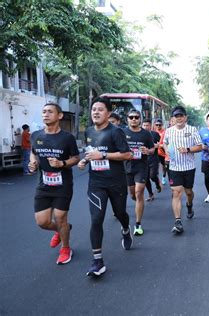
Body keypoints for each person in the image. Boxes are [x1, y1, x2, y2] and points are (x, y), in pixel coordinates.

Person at [78, 97, 134, 277]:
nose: (95, 112)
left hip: (116, 182)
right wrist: (84, 160)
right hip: (96, 183)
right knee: (96, 219)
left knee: (120, 214)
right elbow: (90, 153)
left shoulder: (115, 132)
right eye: (93, 109)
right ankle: (97, 261)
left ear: (108, 113)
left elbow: (126, 154)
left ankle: (126, 230)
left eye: (100, 109)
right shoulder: (88, 131)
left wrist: (102, 155)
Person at [28, 103, 80, 265]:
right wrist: (33, 164)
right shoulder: (36, 135)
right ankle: (62, 229)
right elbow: (33, 153)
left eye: (50, 112)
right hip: (43, 185)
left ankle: (65, 248)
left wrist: (62, 164)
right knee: (42, 222)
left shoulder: (67, 138)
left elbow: (76, 158)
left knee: (59, 217)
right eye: (43, 112)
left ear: (59, 116)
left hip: (63, 185)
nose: (46, 114)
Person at [163, 106, 202, 234]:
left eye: (181, 116)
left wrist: (188, 149)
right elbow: (165, 143)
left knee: (189, 192)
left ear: (185, 117)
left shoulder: (192, 130)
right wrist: (167, 149)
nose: (179, 118)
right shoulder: (169, 131)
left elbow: (200, 146)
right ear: (173, 118)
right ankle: (178, 221)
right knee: (176, 192)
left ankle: (189, 206)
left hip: (188, 167)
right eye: (176, 116)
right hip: (174, 167)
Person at [123, 111, 155, 236]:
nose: (134, 119)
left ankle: (137, 224)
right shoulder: (123, 133)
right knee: (132, 195)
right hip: (127, 167)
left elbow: (152, 149)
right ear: (127, 119)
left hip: (141, 166)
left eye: (136, 117)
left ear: (140, 119)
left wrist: (148, 150)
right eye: (131, 117)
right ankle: (138, 203)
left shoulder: (145, 134)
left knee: (139, 192)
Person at [142, 119, 162, 201]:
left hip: (153, 158)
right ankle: (150, 194)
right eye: (144, 125)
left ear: (151, 126)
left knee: (152, 176)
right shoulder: (139, 135)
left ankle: (157, 183)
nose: (146, 127)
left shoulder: (155, 134)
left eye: (147, 125)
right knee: (146, 179)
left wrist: (157, 146)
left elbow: (160, 144)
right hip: (143, 160)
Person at [155, 119, 168, 185]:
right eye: (156, 125)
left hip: (163, 153)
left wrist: (160, 145)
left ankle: (163, 177)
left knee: (164, 166)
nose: (158, 126)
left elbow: (167, 143)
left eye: (159, 125)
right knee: (154, 167)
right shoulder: (153, 132)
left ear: (162, 125)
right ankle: (155, 178)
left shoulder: (165, 132)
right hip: (155, 153)